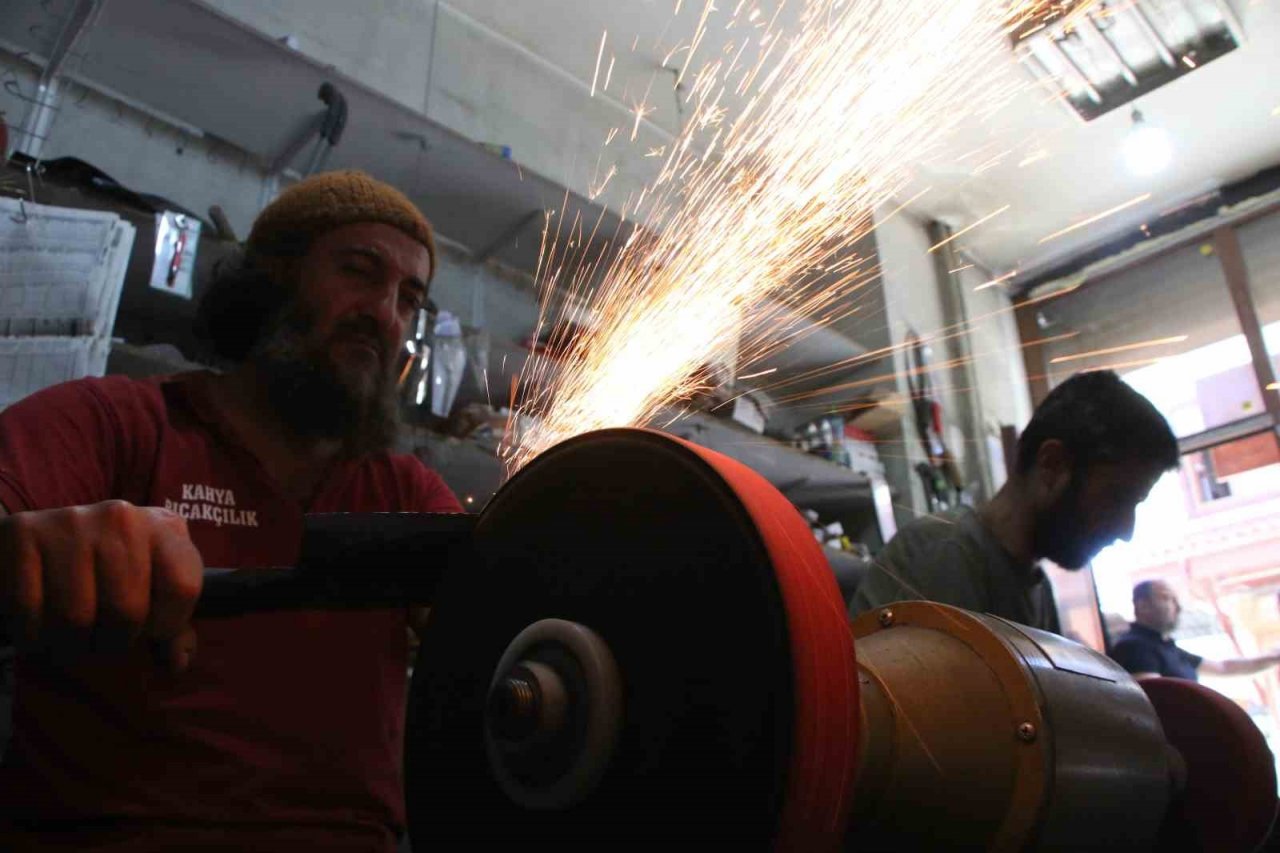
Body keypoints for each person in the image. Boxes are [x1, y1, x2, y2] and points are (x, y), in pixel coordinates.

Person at [0, 171, 462, 851]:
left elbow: (506, 610)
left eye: (408, 297)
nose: (384, 312)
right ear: (273, 277)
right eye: (360, 271)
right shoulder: (122, 423)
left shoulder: (405, 491)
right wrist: (23, 546)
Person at [850, 370, 1179, 633]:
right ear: (1052, 465)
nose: (1126, 529)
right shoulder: (944, 553)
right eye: (1118, 498)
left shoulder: (1034, 585)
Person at [1110, 580, 1280, 680]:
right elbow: (1156, 701)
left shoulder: (1166, 647)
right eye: (1167, 598)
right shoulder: (1134, 647)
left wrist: (1274, 657)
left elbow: (1224, 667)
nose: (1178, 607)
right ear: (1143, 606)